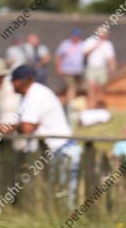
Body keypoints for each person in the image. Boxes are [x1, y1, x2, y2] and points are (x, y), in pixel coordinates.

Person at [11, 64, 82, 204]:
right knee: (57, 198)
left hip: (62, 151)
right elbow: (27, 125)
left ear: (25, 80)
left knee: (66, 200)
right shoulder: (27, 96)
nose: (12, 84)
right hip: (54, 151)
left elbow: (27, 128)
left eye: (14, 80)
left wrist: (21, 126)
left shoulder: (35, 94)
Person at [83, 28, 116, 107]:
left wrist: (112, 67)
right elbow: (84, 53)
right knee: (91, 87)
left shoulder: (108, 44)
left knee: (101, 87)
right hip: (91, 67)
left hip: (102, 68)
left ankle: (99, 104)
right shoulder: (90, 41)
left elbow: (110, 58)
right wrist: (95, 46)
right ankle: (91, 105)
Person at [55, 29, 85, 101]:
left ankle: (74, 104)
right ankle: (70, 105)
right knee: (72, 87)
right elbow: (58, 57)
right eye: (75, 36)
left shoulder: (82, 44)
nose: (76, 37)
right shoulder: (65, 44)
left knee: (78, 88)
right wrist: (58, 67)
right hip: (67, 71)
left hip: (78, 71)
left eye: (78, 36)